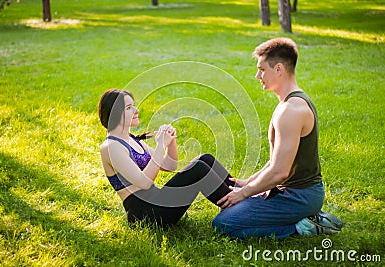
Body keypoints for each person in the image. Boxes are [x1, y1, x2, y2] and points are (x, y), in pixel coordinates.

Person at [212, 38, 343, 239]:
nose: (257, 75)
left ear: (279, 69)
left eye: (262, 69)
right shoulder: (287, 103)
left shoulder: (291, 111)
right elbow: (276, 161)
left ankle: (304, 226)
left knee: (223, 224)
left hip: (300, 197)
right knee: (228, 212)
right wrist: (249, 183)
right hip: (290, 192)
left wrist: (244, 193)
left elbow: (280, 172)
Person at [99, 89, 236, 227]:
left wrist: (170, 142)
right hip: (145, 215)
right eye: (129, 108)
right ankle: (236, 207)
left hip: (156, 202)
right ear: (114, 114)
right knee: (198, 169)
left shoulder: (131, 139)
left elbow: (169, 165)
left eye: (134, 105)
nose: (136, 110)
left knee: (205, 159)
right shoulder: (111, 146)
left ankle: (240, 194)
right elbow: (144, 182)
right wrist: (160, 145)